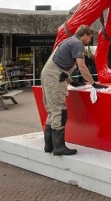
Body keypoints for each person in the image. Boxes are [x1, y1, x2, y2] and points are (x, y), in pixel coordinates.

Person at [41, 25, 107, 156]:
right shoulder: (77, 44)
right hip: (54, 78)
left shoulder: (68, 41)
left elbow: (59, 64)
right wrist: (94, 84)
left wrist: (71, 81)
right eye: (89, 38)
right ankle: (59, 147)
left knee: (52, 111)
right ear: (84, 35)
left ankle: (49, 146)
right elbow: (81, 66)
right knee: (60, 111)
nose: (89, 41)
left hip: (49, 75)